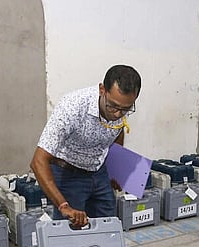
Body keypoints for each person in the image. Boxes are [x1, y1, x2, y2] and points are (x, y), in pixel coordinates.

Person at [30, 65, 141, 228]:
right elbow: (38, 161)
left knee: (107, 225)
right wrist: (64, 206)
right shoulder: (72, 107)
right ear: (102, 89)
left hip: (98, 171)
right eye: (113, 106)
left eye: (125, 109)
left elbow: (119, 129)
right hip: (68, 173)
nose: (118, 114)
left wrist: (117, 168)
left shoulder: (120, 108)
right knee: (71, 232)